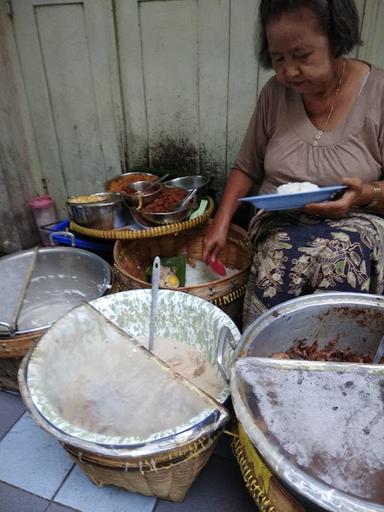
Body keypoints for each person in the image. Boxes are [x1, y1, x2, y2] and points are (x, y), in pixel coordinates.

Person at [202, 0, 384, 330]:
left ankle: (335, 367)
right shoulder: (274, 94)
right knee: (280, 259)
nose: (288, 72)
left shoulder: (380, 95)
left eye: (301, 56)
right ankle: (266, 363)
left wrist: (365, 193)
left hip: (358, 221)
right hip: (279, 221)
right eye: (278, 59)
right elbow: (246, 167)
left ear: (336, 39)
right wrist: (220, 222)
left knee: (340, 259)